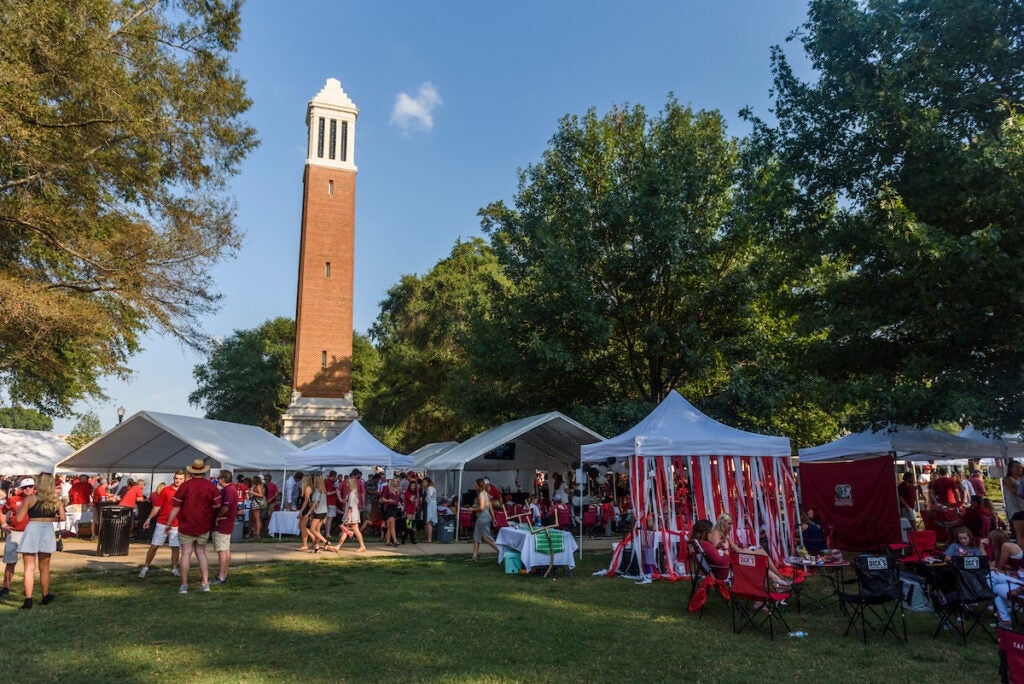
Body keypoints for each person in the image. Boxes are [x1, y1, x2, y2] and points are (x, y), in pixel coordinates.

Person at [166, 459, 222, 594]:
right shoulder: (211, 486)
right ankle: (205, 583)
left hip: (186, 523)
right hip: (203, 524)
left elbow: (175, 506)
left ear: (192, 471)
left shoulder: (185, 486)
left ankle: (184, 585)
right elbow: (217, 506)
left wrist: (169, 523)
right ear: (204, 471)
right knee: (201, 553)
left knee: (185, 553)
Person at [14, 473, 66, 609]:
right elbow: (63, 517)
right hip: (47, 530)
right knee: (45, 568)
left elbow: (18, 519)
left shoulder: (31, 499)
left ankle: (28, 599)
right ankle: (45, 595)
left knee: (29, 568)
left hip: (33, 529)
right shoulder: (55, 500)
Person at [139, 470, 185, 578]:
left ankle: (174, 569)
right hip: (163, 522)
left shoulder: (185, 491)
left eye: (180, 479)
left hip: (177, 524)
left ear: (183, 480)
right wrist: (149, 519)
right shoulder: (165, 490)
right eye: (176, 478)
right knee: (154, 546)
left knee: (175, 547)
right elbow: (157, 507)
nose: (178, 481)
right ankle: (145, 567)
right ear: (174, 478)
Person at [981, 529, 1024, 629]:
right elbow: (989, 565)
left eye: (990, 540)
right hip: (1015, 582)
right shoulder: (1001, 549)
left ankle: (1003, 617)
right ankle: (1006, 620)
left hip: (1020, 583)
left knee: (991, 576)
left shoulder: (1007, 546)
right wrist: (981, 547)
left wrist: (996, 569)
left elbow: (999, 567)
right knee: (995, 587)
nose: (990, 542)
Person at [0, 478, 31, 598]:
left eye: (30, 486)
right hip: (15, 533)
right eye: (25, 487)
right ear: (20, 488)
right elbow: (2, 511)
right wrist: (3, 525)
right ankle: (5, 588)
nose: (28, 489)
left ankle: (28, 589)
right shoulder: (14, 499)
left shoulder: (37, 499)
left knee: (29, 563)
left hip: (30, 534)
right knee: (10, 562)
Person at [211, 470, 239, 584]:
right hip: (227, 523)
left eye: (219, 478)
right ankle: (224, 574)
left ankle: (221, 576)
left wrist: (218, 516)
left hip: (223, 524)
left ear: (222, 479)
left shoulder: (229, 490)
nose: (218, 480)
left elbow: (226, 506)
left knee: (222, 551)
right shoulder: (231, 489)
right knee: (226, 549)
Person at [331, 475, 366, 552]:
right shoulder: (353, 493)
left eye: (347, 483)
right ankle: (338, 546)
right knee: (346, 531)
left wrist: (348, 514)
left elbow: (351, 506)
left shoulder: (352, 494)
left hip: (352, 514)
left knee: (355, 530)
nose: (346, 484)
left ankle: (362, 546)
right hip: (351, 513)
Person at [467, 478, 500, 562]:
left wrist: (472, 509)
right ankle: (474, 557)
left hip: (483, 517)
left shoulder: (481, 495)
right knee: (476, 536)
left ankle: (500, 551)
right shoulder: (486, 494)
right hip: (485, 517)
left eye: (476, 485)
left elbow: (481, 508)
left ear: (479, 486)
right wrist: (493, 518)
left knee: (486, 538)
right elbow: (490, 507)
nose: (474, 486)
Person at [306, 474, 329, 552]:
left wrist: (309, 511)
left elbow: (315, 502)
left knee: (312, 529)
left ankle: (326, 541)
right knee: (317, 530)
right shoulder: (323, 490)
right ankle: (317, 547)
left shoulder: (317, 491)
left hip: (318, 512)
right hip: (324, 512)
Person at [1004, 460, 1024, 541]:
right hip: (1015, 509)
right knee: (1020, 534)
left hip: (1022, 507)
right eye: (1016, 467)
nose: (1019, 469)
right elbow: (1015, 491)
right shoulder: (1008, 479)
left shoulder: (1021, 479)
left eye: (1020, 467)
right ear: (1010, 469)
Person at [380, 477, 402, 547]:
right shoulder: (388, 489)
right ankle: (395, 540)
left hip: (395, 507)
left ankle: (388, 540)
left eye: (397, 481)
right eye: (394, 481)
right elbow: (383, 498)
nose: (396, 482)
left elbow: (398, 500)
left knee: (390, 526)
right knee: (392, 524)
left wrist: (401, 506)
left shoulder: (398, 490)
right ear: (392, 482)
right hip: (389, 507)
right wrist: (388, 500)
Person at [295, 474, 314, 551]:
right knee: (300, 526)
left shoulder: (307, 488)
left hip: (306, 509)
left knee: (302, 526)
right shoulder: (308, 488)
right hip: (306, 508)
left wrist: (301, 511)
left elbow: (306, 501)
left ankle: (305, 544)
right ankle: (313, 538)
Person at [422, 476, 437, 543]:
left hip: (429, 506)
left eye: (425, 482)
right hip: (429, 505)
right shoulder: (427, 488)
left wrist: (425, 500)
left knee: (428, 522)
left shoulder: (430, 488)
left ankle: (429, 539)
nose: (423, 483)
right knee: (427, 522)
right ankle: (428, 538)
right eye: (423, 482)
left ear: (428, 482)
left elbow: (429, 497)